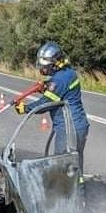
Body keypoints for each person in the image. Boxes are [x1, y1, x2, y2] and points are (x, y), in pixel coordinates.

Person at [14, 41, 89, 178]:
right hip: (77, 125)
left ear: (54, 63)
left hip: (69, 127)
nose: (43, 69)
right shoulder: (68, 73)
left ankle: (65, 196)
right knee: (74, 165)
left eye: (45, 66)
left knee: (62, 166)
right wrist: (47, 87)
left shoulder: (59, 79)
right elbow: (60, 93)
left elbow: (45, 103)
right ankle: (79, 194)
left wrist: (25, 108)